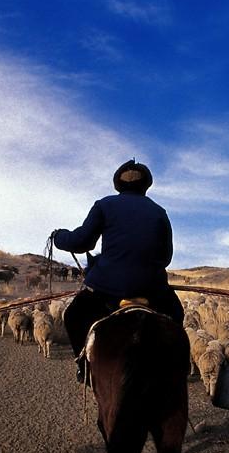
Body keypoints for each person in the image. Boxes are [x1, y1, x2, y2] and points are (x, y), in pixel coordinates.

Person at [51, 159, 184, 382]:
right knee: (177, 315)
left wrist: (59, 237)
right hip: (152, 289)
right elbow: (166, 257)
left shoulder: (104, 205)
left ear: (118, 184)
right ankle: (171, 373)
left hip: (107, 289)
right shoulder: (160, 212)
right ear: (146, 185)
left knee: (73, 315)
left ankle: (84, 367)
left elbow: (82, 242)